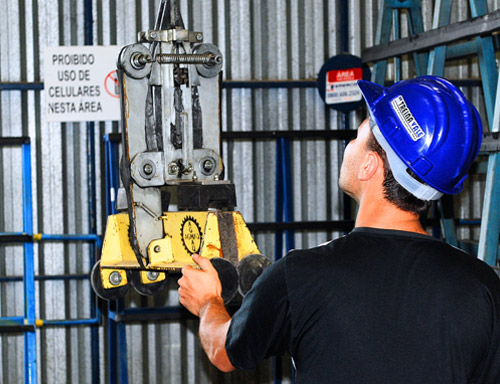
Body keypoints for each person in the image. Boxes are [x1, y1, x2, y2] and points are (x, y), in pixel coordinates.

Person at [178, 76, 500, 383]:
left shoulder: (301, 275)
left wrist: (208, 301)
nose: (348, 145)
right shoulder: (483, 288)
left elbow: (225, 352)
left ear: (369, 165)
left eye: (357, 137)